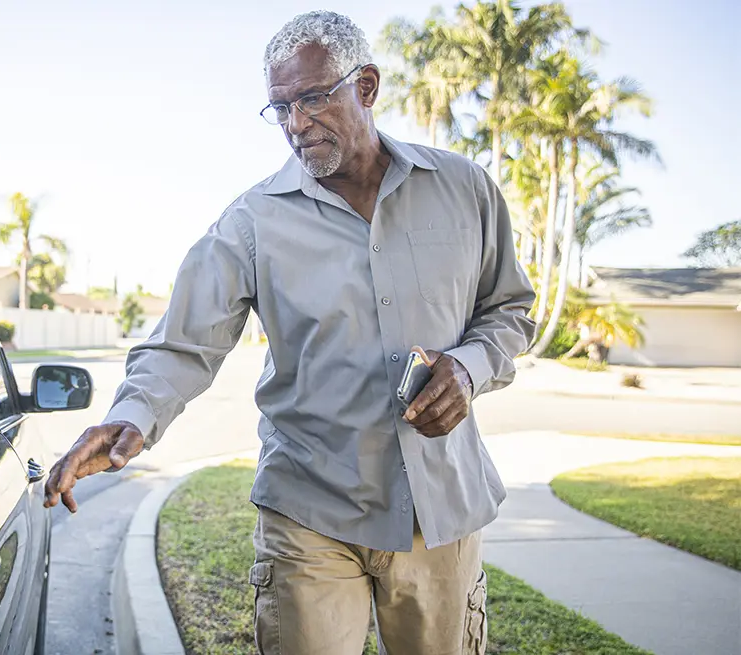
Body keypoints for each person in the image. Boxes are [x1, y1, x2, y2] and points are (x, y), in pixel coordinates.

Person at [45, 10, 535, 655]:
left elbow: (510, 309)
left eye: (312, 99)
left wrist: (469, 368)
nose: (296, 125)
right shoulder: (250, 222)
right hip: (310, 511)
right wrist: (132, 413)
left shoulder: (462, 187)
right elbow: (182, 345)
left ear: (365, 87)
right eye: (280, 109)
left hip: (440, 509)